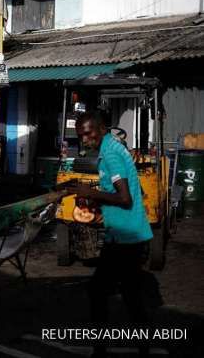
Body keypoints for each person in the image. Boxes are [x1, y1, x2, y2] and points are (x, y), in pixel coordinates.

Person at [68, 112, 153, 358]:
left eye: (88, 133)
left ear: (102, 128)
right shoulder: (110, 148)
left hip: (126, 238)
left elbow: (124, 198)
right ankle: (124, 348)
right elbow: (113, 193)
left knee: (101, 292)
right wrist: (93, 197)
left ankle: (101, 350)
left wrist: (90, 193)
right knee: (127, 296)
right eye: (80, 135)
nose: (84, 140)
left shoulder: (112, 154)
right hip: (123, 235)